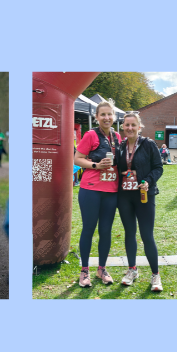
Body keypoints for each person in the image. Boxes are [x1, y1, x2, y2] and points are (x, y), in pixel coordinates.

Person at [73, 101, 121, 287]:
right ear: (97, 117)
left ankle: (101, 269)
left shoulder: (117, 136)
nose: (106, 118)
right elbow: (77, 158)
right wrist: (95, 165)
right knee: (89, 229)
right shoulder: (90, 134)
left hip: (111, 192)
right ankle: (84, 271)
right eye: (103, 115)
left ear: (113, 117)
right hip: (91, 190)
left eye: (109, 114)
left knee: (106, 231)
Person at [116, 113, 164, 291]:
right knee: (129, 233)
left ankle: (155, 275)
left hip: (144, 195)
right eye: (126, 125)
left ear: (139, 127)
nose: (129, 128)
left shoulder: (148, 144)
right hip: (125, 196)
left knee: (146, 235)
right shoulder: (120, 147)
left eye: (133, 125)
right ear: (123, 127)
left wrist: (148, 181)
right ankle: (132, 270)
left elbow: (159, 167)